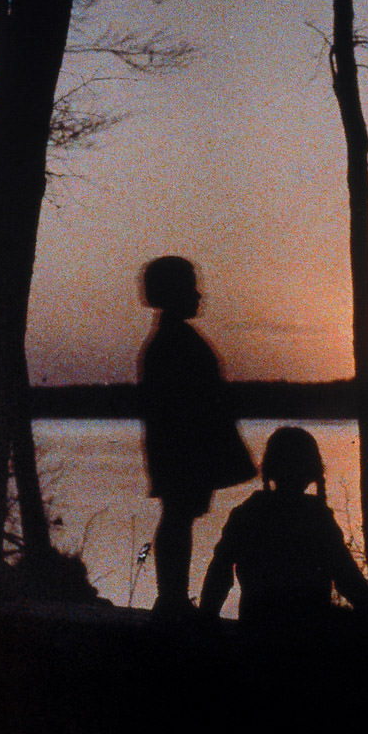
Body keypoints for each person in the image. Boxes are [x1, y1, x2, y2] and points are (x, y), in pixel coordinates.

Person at [138, 255, 254, 617]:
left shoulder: (171, 338)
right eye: (190, 288)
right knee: (177, 516)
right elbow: (186, 402)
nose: (199, 295)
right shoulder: (173, 341)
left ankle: (171, 597)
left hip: (181, 448)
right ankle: (170, 599)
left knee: (178, 516)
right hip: (183, 449)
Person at [200, 426, 368, 630]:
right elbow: (347, 577)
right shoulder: (318, 517)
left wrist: (206, 618)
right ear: (313, 471)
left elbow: (219, 573)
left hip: (257, 624)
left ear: (270, 468)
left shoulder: (248, 512)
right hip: (311, 626)